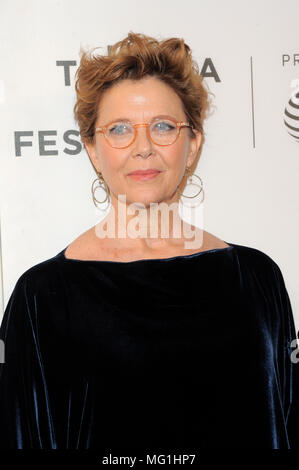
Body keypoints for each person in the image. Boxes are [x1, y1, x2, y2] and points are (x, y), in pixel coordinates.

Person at [0, 31, 298, 450]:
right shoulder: (41, 297)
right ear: (92, 149)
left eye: (163, 126)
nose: (143, 148)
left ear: (192, 145)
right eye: (120, 129)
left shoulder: (257, 279)